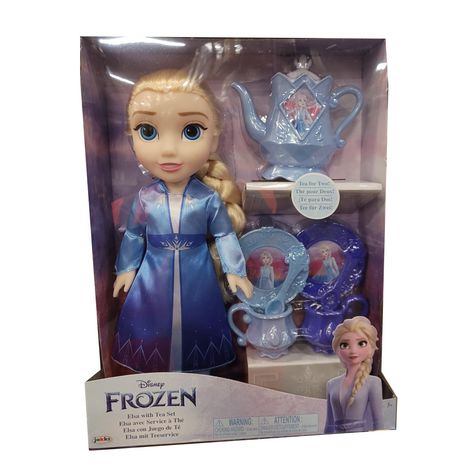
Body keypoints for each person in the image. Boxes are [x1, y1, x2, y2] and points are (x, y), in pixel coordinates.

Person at [112, 69, 253, 373]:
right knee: (151, 324)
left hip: (197, 270)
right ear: (132, 137)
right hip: (153, 273)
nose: (168, 150)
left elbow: (225, 235)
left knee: (199, 320)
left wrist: (234, 270)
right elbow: (134, 235)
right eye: (147, 131)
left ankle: (199, 375)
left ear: (214, 137)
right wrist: (126, 268)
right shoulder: (145, 197)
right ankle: (155, 378)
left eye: (191, 131)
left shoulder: (207, 198)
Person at [324, 316, 384, 433]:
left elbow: (378, 423)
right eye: (344, 345)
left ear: (371, 347)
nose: (353, 351)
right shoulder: (331, 384)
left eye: (361, 343)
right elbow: (329, 424)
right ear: (337, 349)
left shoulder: (373, 382)